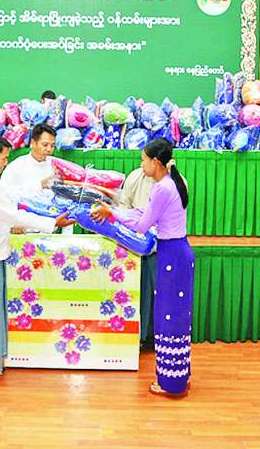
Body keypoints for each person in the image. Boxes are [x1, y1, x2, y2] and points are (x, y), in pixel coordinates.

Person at [0, 134, 75, 387]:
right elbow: (12, 214)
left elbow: (12, 196)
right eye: (3, 158)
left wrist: (41, 188)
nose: (5, 162)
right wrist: (51, 223)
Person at [93, 138, 193, 398]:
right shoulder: (173, 182)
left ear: (155, 162)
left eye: (143, 160)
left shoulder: (162, 188)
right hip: (178, 251)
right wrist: (113, 210)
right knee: (177, 316)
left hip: (171, 255)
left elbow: (141, 225)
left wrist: (112, 214)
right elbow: (142, 214)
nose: (141, 165)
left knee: (168, 316)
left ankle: (170, 384)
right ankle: (179, 376)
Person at [117, 167, 157, 348]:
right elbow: (123, 206)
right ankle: (136, 337)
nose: (143, 164)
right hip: (134, 243)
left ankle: (153, 336)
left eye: (145, 160)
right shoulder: (135, 177)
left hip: (160, 245)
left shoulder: (174, 182)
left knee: (156, 292)